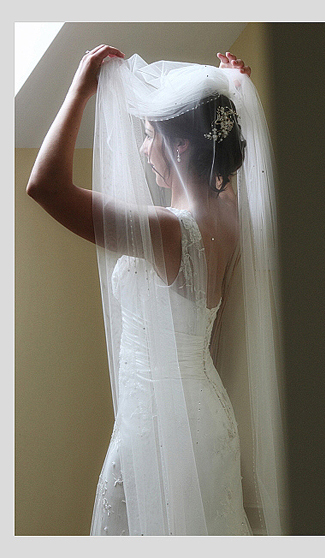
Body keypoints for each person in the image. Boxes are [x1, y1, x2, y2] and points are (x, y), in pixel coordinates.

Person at [26, 45, 287, 535]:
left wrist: (80, 88)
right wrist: (236, 94)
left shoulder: (167, 232)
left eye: (149, 136)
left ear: (181, 145)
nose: (145, 151)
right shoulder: (230, 212)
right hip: (206, 415)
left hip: (161, 426)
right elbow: (227, 167)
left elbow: (45, 186)